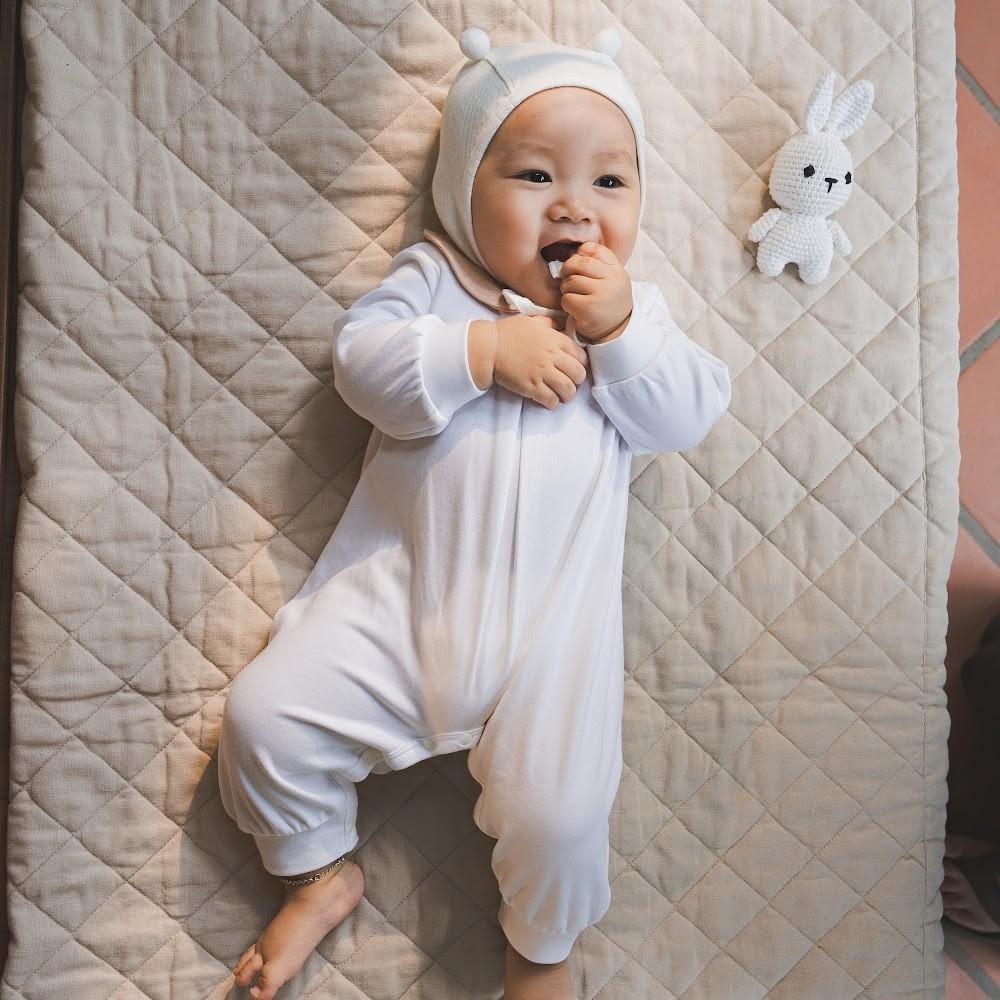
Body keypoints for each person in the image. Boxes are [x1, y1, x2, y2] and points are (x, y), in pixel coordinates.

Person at [217, 28, 732, 1000]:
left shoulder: (635, 319)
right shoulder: (435, 283)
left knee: (562, 815)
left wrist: (622, 330)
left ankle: (540, 951)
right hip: (397, 607)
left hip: (550, 648)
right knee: (261, 722)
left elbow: (687, 413)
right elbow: (362, 365)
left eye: (610, 182)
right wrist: (482, 355)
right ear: (462, 190)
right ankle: (318, 872)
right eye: (535, 175)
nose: (574, 205)